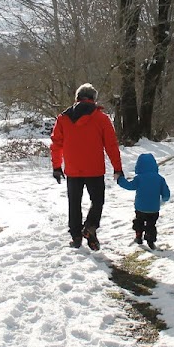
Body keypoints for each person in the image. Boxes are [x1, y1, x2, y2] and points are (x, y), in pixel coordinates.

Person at [50, 83, 123, 250]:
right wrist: (117, 168)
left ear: (77, 98)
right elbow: (111, 146)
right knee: (97, 201)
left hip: (73, 170)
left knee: (74, 203)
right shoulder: (101, 119)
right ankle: (90, 226)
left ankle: (76, 236)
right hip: (94, 169)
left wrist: (56, 166)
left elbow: (56, 144)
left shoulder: (63, 118)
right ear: (93, 99)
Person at [116, 152, 170, 250]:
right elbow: (166, 194)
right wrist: (163, 200)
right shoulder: (160, 179)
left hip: (140, 207)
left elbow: (129, 186)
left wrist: (120, 179)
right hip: (154, 209)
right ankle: (150, 241)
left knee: (139, 222)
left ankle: (138, 236)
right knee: (151, 225)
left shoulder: (139, 178)